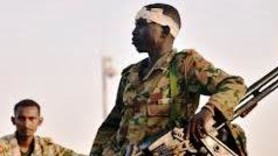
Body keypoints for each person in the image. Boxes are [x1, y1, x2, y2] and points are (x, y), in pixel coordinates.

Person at [90, 3, 248, 156]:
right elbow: (111, 125)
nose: (134, 31)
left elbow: (234, 84)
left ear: (164, 31)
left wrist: (208, 111)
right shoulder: (130, 75)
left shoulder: (184, 64)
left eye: (142, 25)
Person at [0, 99, 83, 156]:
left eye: (32, 119)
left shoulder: (48, 147)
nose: (26, 124)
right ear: (13, 121)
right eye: (21, 119)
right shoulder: (1, 147)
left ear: (40, 121)